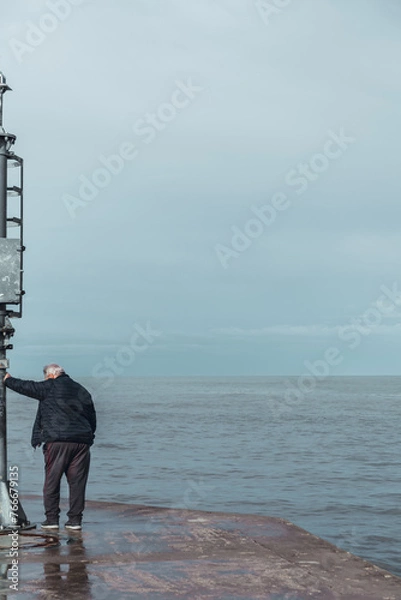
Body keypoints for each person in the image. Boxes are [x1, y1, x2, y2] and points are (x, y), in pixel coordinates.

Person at [3, 364, 96, 531]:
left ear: (51, 375)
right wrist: (89, 437)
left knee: (52, 481)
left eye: (46, 377)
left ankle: (52, 519)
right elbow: (92, 417)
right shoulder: (81, 389)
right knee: (77, 483)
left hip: (58, 441)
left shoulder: (50, 386)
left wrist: (8, 380)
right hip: (82, 442)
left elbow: (27, 387)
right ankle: (75, 521)